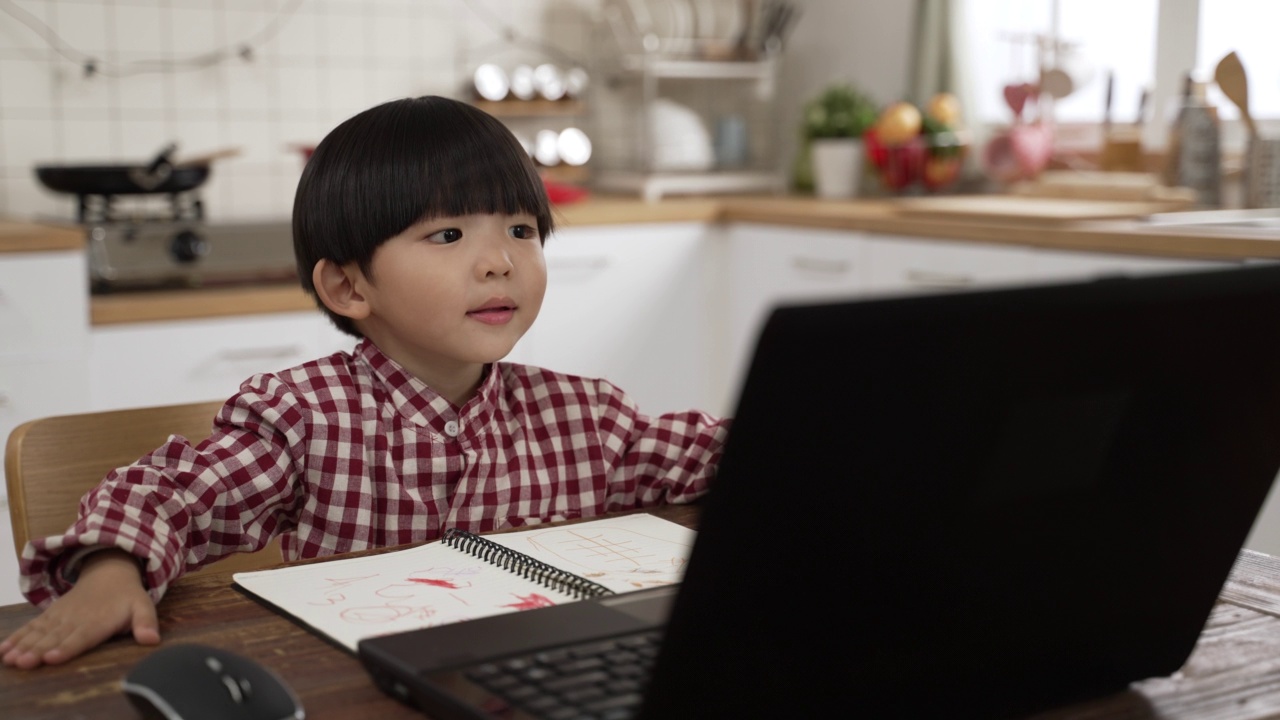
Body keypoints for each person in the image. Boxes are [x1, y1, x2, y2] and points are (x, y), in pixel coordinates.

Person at [0, 96, 728, 669]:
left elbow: (724, 454)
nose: (500, 261)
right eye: (448, 236)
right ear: (349, 287)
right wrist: (111, 573)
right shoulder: (301, 419)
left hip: (534, 677)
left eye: (521, 230)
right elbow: (165, 495)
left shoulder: (587, 418)